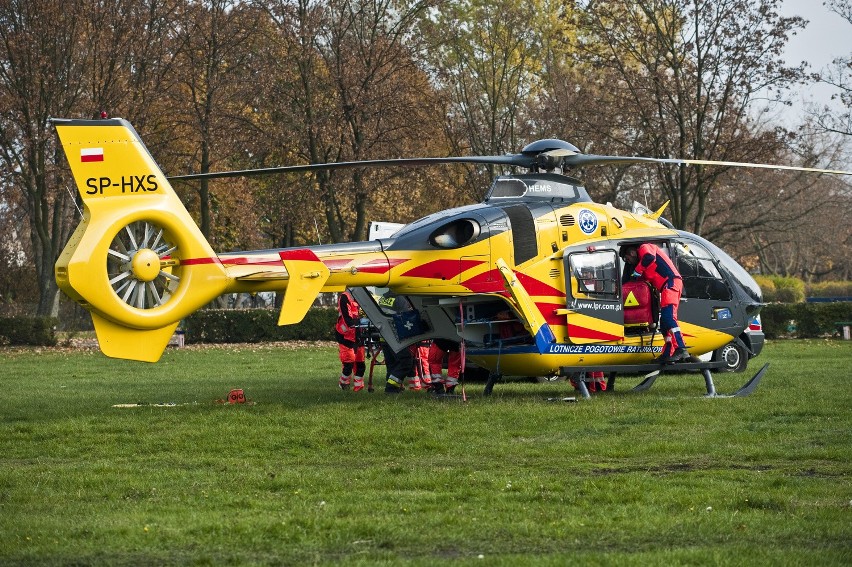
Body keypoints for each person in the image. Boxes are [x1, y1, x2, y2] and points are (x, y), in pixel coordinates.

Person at [620, 243, 690, 362]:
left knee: (669, 318)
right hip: (665, 287)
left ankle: (681, 348)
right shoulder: (644, 264)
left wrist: (638, 270)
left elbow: (649, 257)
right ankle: (668, 353)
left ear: (632, 253)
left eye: (627, 259)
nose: (629, 262)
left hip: (671, 282)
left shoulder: (644, 248)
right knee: (663, 324)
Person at [335, 289, 366, 391]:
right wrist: (361, 321)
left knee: (360, 364)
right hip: (346, 335)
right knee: (349, 363)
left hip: (358, 334)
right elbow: (348, 320)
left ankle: (358, 388)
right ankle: (343, 384)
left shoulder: (362, 295)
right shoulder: (345, 297)